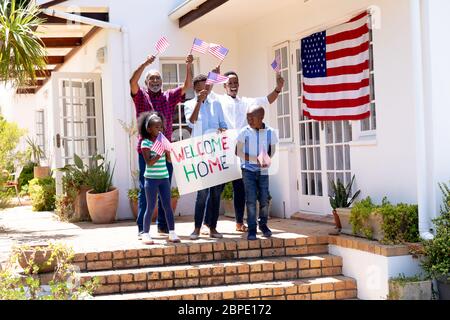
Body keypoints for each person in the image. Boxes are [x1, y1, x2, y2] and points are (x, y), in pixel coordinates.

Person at [130, 53, 193, 239]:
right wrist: (144, 63)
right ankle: (142, 229)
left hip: (166, 150)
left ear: (162, 82)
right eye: (151, 78)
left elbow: (187, 87)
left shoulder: (169, 97)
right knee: (145, 188)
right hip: (147, 151)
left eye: (158, 78)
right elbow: (132, 81)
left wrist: (188, 66)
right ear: (147, 81)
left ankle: (163, 227)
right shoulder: (141, 96)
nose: (155, 81)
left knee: (165, 188)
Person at [215, 70, 284, 232]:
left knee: (240, 188)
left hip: (241, 150)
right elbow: (206, 92)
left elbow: (267, 101)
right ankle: (209, 224)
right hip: (223, 149)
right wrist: (213, 76)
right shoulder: (218, 100)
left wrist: (278, 89)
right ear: (224, 85)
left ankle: (239, 222)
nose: (233, 86)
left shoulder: (245, 102)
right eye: (230, 83)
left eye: (235, 83)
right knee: (216, 188)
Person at [184, 74, 228, 240]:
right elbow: (192, 122)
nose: (205, 90)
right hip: (200, 156)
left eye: (207, 87)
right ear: (195, 89)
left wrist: (222, 131)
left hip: (216, 155)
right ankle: (196, 228)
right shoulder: (189, 104)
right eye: (202, 88)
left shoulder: (216, 104)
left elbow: (223, 126)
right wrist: (198, 102)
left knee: (216, 194)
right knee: (202, 194)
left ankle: (213, 228)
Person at [236, 105, 279, 241]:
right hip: (248, 170)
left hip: (263, 170)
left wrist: (267, 158)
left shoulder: (270, 132)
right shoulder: (245, 132)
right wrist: (256, 159)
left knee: (264, 199)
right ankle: (252, 229)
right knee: (250, 200)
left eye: (251, 118)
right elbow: (238, 151)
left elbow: (272, 149)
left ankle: (263, 224)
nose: (249, 120)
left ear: (261, 118)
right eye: (247, 117)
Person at [137, 111, 180, 244]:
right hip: (151, 179)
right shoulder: (145, 143)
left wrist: (168, 153)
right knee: (150, 207)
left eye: (161, 127)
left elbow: (169, 161)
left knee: (167, 206)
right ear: (149, 129)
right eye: (156, 127)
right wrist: (160, 152)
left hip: (164, 178)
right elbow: (149, 162)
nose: (160, 129)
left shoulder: (162, 140)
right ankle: (145, 233)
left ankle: (172, 233)